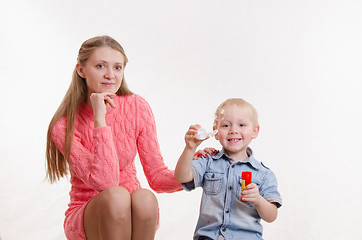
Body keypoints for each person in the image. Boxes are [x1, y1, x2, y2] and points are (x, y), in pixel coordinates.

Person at [46, 35, 184, 240]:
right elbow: (106, 183)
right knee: (117, 195)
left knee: (145, 197)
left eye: (117, 67)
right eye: (100, 66)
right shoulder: (63, 125)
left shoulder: (137, 106)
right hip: (89, 213)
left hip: (133, 212)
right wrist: (99, 119)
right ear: (81, 70)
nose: (110, 75)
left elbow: (157, 177)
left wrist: (196, 166)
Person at [175, 98, 282, 240]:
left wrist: (258, 200)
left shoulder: (263, 174)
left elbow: (271, 216)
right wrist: (190, 148)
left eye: (242, 124)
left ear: (254, 131)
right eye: (225, 125)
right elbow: (182, 176)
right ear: (216, 132)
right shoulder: (208, 160)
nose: (233, 130)